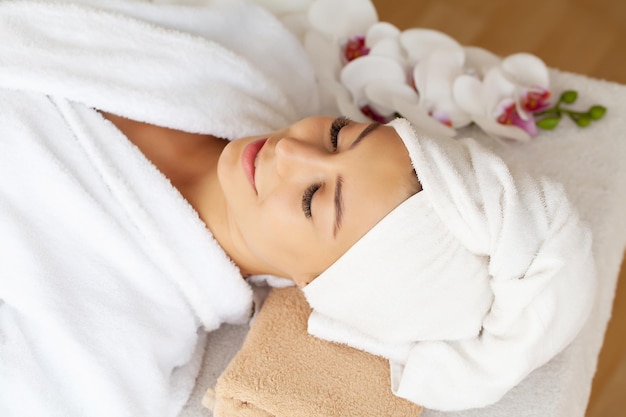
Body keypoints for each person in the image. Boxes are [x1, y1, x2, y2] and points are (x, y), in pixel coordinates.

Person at [0, 0, 595, 415]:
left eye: (314, 200)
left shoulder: (108, 344)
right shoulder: (246, 68)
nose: (290, 152)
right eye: (340, 135)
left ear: (319, 285)